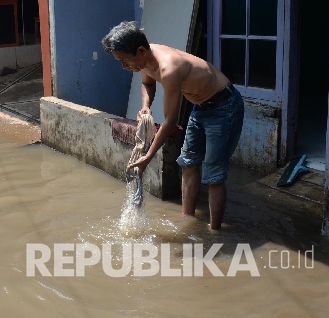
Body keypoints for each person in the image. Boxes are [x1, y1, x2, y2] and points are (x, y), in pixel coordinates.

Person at [102, 21, 244, 231]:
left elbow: (170, 121)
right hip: (201, 106)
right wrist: (145, 107)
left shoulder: (169, 68)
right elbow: (147, 84)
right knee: (188, 163)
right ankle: (187, 217)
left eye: (125, 61)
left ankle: (214, 231)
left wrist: (147, 158)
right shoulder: (145, 61)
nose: (124, 67)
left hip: (224, 107)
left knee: (214, 174)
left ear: (140, 51)